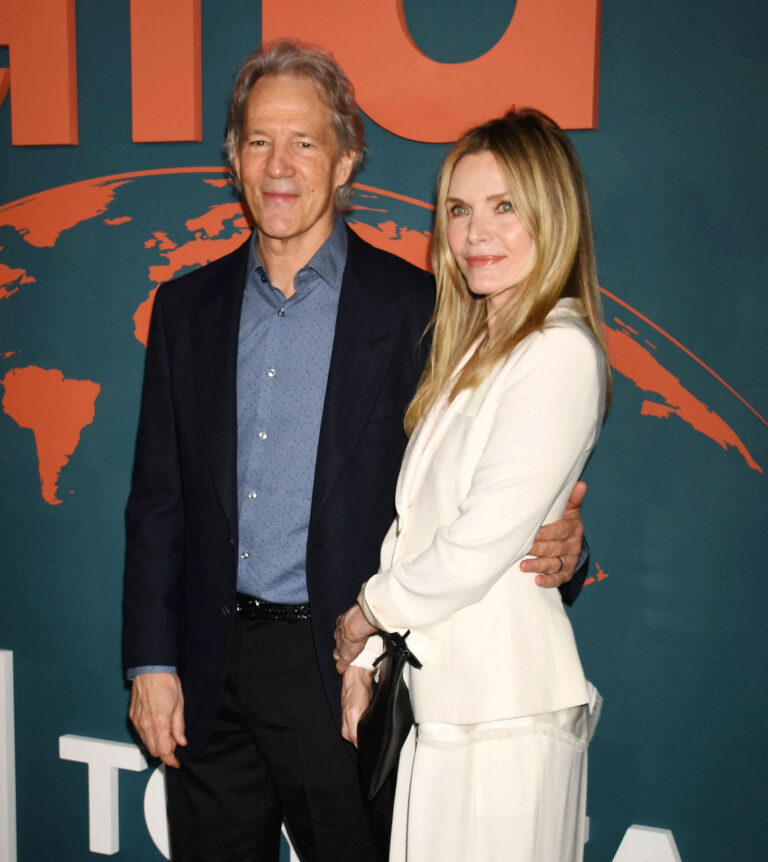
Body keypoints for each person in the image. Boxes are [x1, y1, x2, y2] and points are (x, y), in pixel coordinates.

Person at [123, 39, 589, 862]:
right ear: (233, 158)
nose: (280, 165)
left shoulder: (426, 309)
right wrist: (151, 661)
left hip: (347, 674)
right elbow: (158, 502)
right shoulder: (183, 311)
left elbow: (493, 474)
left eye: (305, 142)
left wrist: (565, 546)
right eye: (259, 141)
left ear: (345, 163)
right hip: (207, 666)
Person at [334, 109, 610, 861]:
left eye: (504, 206)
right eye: (459, 210)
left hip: (505, 722)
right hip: (449, 710)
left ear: (552, 217)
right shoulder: (476, 347)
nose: (475, 233)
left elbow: (477, 541)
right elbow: (416, 523)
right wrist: (368, 662)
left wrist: (365, 615)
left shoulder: (558, 351)